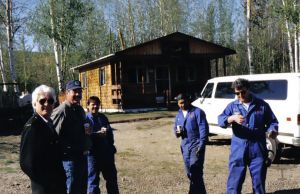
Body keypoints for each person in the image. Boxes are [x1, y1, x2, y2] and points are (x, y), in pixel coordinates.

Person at [218, 78, 278, 194]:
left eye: (243, 92)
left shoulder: (261, 105)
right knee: (234, 182)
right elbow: (221, 120)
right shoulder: (232, 106)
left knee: (259, 182)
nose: (240, 95)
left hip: (257, 148)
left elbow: (272, 122)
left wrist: (273, 130)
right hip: (238, 147)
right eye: (237, 93)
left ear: (248, 89)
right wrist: (231, 118)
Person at [20, 85, 66, 194]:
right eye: (42, 101)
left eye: (50, 101)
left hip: (56, 185)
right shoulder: (33, 127)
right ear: (34, 104)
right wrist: (46, 180)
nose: (46, 104)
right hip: (45, 188)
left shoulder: (47, 123)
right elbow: (26, 163)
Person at [51, 80, 90, 194]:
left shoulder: (79, 109)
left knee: (82, 189)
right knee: (72, 190)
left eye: (79, 91)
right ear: (67, 93)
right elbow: (51, 135)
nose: (78, 94)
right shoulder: (62, 110)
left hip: (82, 157)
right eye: (74, 91)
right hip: (70, 160)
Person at [173, 93, 209, 194]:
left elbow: (204, 129)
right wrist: (177, 132)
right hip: (185, 146)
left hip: (196, 145)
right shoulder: (179, 114)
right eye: (179, 103)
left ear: (188, 100)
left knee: (195, 171)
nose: (181, 105)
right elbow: (175, 128)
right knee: (189, 172)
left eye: (183, 102)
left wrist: (202, 145)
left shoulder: (197, 112)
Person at [86, 96, 119, 194]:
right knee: (93, 182)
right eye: (93, 104)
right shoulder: (85, 119)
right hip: (93, 155)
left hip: (106, 154)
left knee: (112, 179)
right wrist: (97, 135)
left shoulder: (103, 117)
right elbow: (84, 137)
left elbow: (109, 134)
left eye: (97, 104)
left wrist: (111, 147)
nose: (95, 106)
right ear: (88, 106)